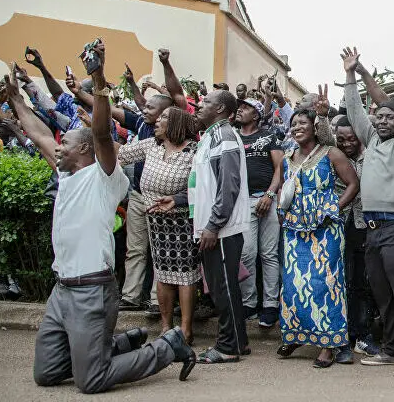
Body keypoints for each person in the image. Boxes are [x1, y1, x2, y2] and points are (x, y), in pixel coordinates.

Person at [13, 41, 195, 393]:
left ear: (83, 150)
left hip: (91, 290)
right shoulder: (67, 172)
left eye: (64, 141)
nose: (57, 145)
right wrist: (16, 97)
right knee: (47, 373)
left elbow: (100, 133)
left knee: (91, 380)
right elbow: (36, 133)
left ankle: (168, 347)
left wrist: (98, 82)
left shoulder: (105, 175)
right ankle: (119, 344)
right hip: (62, 289)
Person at [341, 45, 394, 377]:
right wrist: (351, 73)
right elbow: (353, 109)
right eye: (380, 115)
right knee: (382, 294)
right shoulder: (371, 138)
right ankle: (391, 350)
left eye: (390, 116)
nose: (382, 119)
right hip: (372, 229)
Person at [276, 107, 359, 368]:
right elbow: (281, 187)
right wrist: (281, 210)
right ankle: (297, 334)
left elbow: (353, 184)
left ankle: (328, 345)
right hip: (294, 229)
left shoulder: (331, 153)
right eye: (293, 124)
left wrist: (333, 209)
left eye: (302, 122)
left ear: (314, 126)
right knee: (293, 285)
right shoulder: (287, 157)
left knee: (326, 284)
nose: (297, 127)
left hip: (325, 230)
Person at [117, 107, 199, 343]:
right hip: (155, 220)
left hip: (183, 220)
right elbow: (120, 155)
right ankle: (166, 326)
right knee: (162, 272)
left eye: (163, 118)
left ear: (175, 124)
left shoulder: (194, 152)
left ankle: (185, 329)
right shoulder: (151, 146)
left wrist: (177, 200)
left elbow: (200, 186)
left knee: (185, 274)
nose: (157, 121)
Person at [189, 89, 251, 364]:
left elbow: (229, 185)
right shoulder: (211, 137)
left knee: (223, 288)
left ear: (221, 110)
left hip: (221, 230)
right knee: (224, 287)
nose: (200, 106)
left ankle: (228, 347)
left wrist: (213, 225)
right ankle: (238, 341)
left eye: (206, 103)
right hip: (214, 228)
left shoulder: (223, 136)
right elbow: (205, 185)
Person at [332, 116, 382, 364]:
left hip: (364, 224)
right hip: (336, 223)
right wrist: (320, 116)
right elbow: (322, 135)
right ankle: (338, 336)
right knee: (339, 281)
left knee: (361, 282)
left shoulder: (371, 153)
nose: (347, 143)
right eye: (341, 139)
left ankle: (362, 334)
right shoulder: (332, 153)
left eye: (352, 138)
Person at [235, 98, 284, 326]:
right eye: (239, 107)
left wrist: (270, 195)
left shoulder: (268, 136)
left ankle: (270, 306)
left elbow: (279, 168)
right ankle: (249, 303)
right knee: (246, 253)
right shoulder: (233, 137)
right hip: (242, 202)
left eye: (245, 108)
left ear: (256, 115)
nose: (240, 110)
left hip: (267, 200)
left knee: (269, 254)